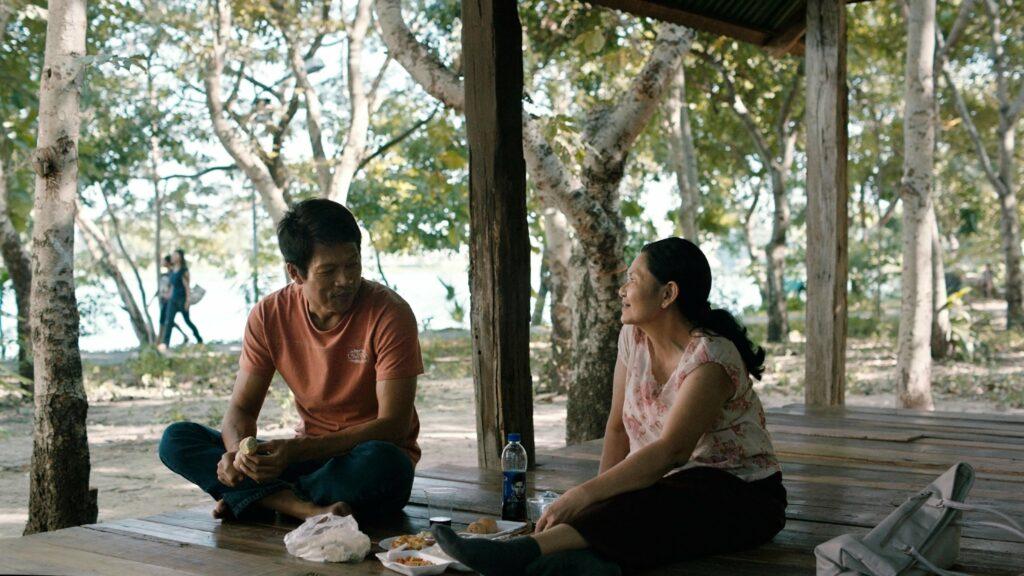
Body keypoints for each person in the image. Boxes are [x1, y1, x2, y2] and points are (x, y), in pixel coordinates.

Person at [435, 237, 787, 576]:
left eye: (633, 279)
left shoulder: (710, 357)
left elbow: (672, 452)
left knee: (661, 499)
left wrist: (582, 495)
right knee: (633, 506)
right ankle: (579, 565)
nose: (622, 289)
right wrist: (597, 501)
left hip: (740, 496)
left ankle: (519, 553)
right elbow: (617, 427)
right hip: (661, 488)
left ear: (668, 294)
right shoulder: (633, 338)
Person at [159, 199, 422, 523]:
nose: (345, 280)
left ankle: (260, 499)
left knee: (386, 464)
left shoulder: (390, 314)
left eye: (352, 264)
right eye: (328, 271)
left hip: (362, 460)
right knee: (177, 439)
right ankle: (299, 507)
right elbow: (241, 410)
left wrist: (295, 452)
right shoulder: (269, 315)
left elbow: (394, 427)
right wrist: (238, 456)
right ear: (295, 272)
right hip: (305, 463)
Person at [158, 248, 203, 350]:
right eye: (173, 255)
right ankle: (165, 344)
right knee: (169, 321)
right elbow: (172, 286)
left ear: (180, 257)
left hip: (182, 300)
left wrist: (187, 301)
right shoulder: (173, 270)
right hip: (172, 300)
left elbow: (187, 287)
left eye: (175, 255)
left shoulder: (183, 271)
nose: (173, 257)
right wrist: (168, 296)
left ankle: (199, 339)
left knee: (187, 321)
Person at [157, 255, 189, 345]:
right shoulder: (167, 273)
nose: (162, 262)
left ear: (167, 262)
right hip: (165, 300)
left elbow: (174, 286)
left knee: (167, 321)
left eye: (163, 261)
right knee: (167, 321)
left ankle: (162, 342)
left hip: (170, 300)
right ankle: (162, 341)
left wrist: (169, 296)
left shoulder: (173, 272)